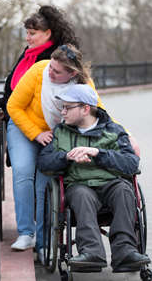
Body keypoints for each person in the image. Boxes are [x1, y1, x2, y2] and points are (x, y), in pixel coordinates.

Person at [6, 44, 107, 263]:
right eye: (51, 66)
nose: (50, 72)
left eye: (57, 71)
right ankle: (26, 233)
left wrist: (126, 136)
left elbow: (101, 113)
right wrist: (35, 133)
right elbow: (13, 106)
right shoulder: (38, 71)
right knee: (23, 172)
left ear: (72, 74)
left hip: (55, 136)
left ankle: (44, 244)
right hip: (24, 127)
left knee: (45, 184)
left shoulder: (83, 84)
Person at [37, 84, 151, 272]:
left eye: (67, 107)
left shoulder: (114, 130)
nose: (62, 112)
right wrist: (66, 156)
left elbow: (131, 164)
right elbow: (44, 162)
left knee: (124, 190)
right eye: (62, 107)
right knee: (82, 195)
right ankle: (92, 253)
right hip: (80, 185)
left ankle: (125, 252)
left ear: (85, 109)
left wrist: (98, 153)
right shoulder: (60, 133)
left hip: (112, 183)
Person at [0, 5, 79, 126]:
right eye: (27, 33)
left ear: (47, 34)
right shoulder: (30, 52)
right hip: (18, 117)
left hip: (40, 125)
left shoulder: (56, 58)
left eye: (32, 33)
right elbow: (12, 83)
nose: (27, 38)